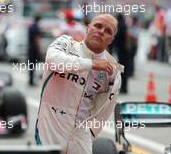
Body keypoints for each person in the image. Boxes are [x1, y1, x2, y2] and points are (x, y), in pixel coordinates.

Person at [35, 14, 123, 153]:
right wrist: (91, 64)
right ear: (88, 28)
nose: (101, 31)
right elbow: (53, 60)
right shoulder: (65, 43)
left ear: (111, 40)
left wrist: (90, 134)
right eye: (98, 26)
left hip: (80, 134)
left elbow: (104, 112)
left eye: (108, 31)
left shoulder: (112, 71)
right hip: (51, 128)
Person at [114, 13, 130, 94]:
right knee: (124, 70)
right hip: (125, 52)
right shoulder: (125, 25)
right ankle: (124, 88)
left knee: (121, 70)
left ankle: (122, 88)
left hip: (121, 52)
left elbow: (116, 38)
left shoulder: (120, 26)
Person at [28, 14, 42, 86]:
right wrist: (39, 50)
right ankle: (31, 80)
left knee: (31, 65)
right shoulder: (36, 27)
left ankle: (30, 80)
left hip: (30, 48)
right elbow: (37, 39)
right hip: (34, 48)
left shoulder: (31, 26)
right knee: (33, 64)